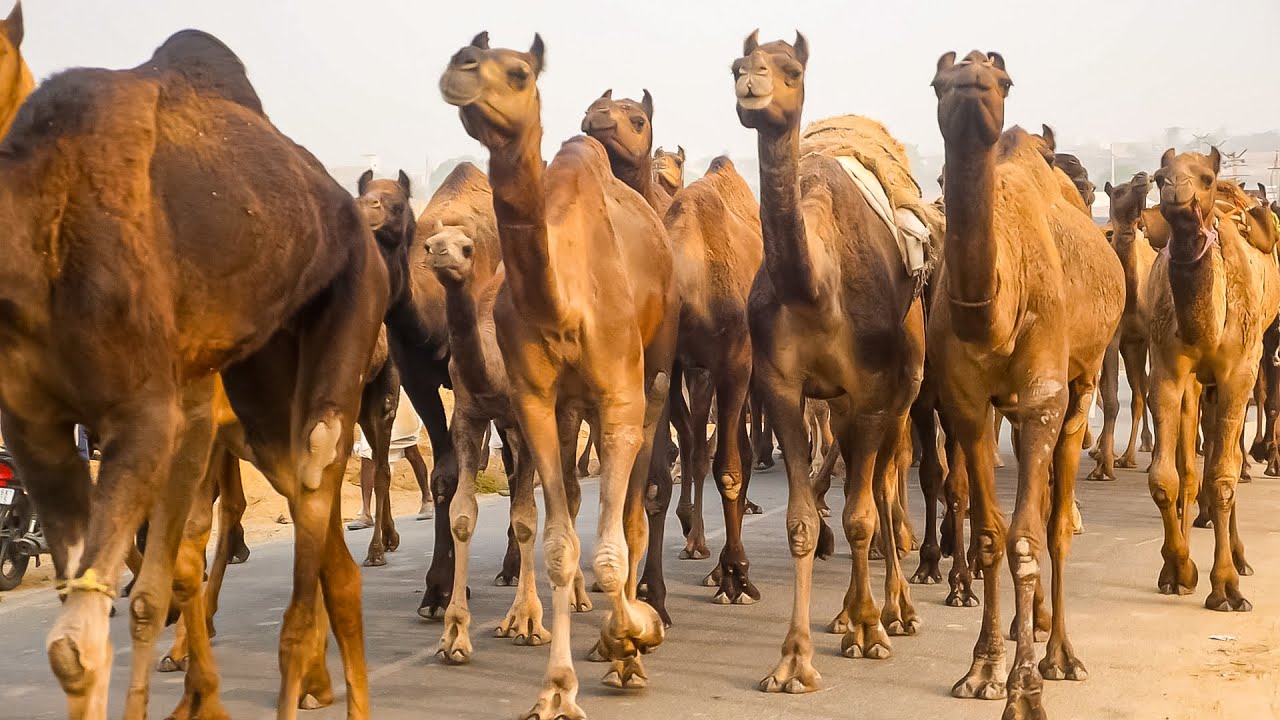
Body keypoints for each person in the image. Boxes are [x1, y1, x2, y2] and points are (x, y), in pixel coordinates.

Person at [346, 386, 433, 530]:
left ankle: (427, 497)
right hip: (372, 397)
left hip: (399, 393)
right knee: (367, 453)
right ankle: (366, 512)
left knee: (410, 448)